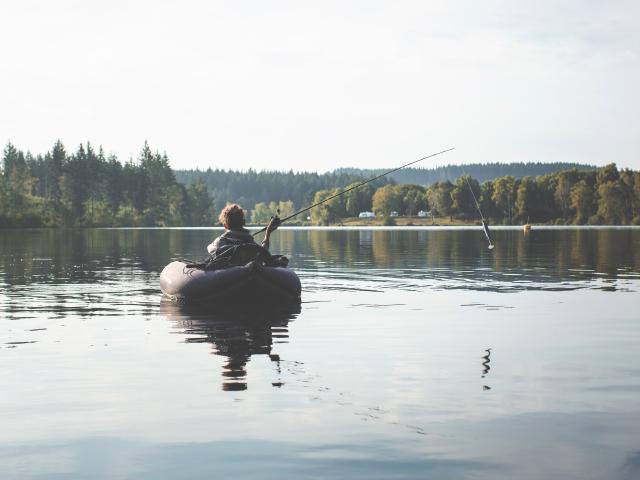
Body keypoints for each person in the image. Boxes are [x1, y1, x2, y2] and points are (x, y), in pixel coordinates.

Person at [207, 204, 281, 255]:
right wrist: (267, 233)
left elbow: (210, 248)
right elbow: (263, 252)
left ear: (225, 225)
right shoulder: (250, 242)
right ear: (243, 223)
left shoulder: (221, 241)